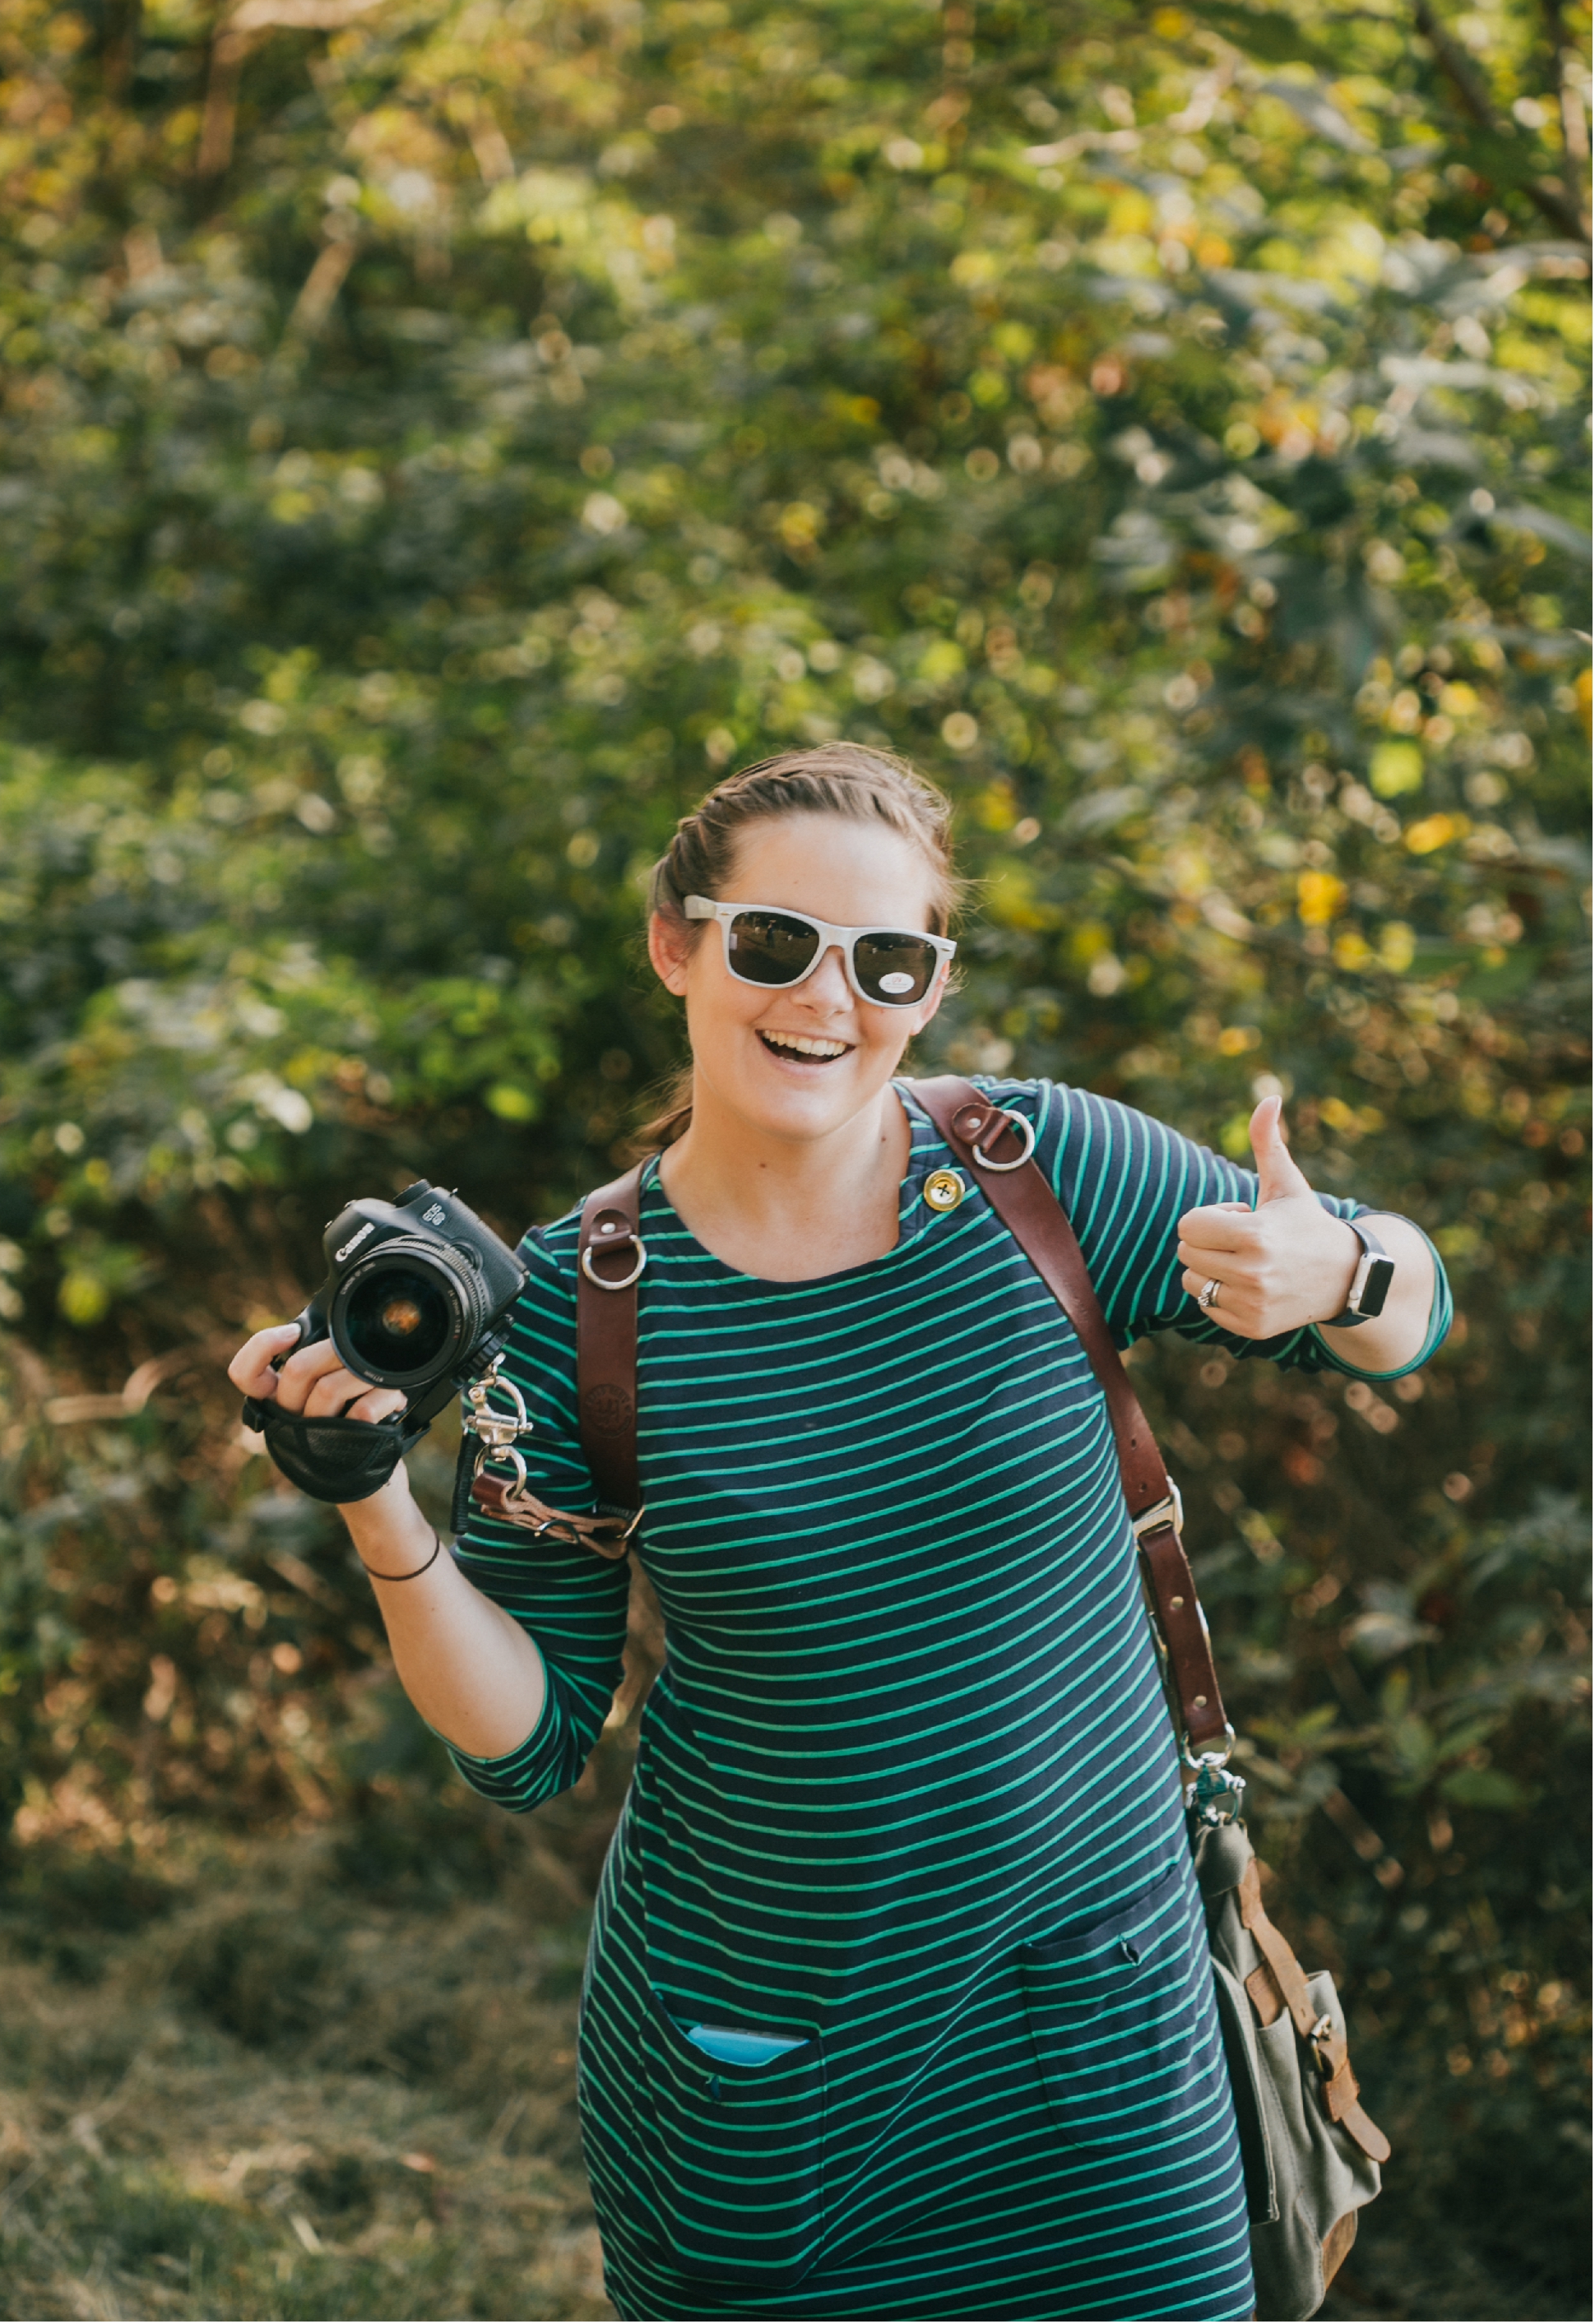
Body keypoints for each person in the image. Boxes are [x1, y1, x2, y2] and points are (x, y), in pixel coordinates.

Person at [230, 743, 1449, 2322]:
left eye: (887, 958)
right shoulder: (578, 1308)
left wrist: (1343, 1265)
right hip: (772, 2068)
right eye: (772, 941)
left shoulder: (1044, 1171)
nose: (828, 993)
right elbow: (528, 1739)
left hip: (1102, 2041)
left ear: (930, 984)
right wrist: (377, 1505)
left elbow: (1406, 1313)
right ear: (678, 944)